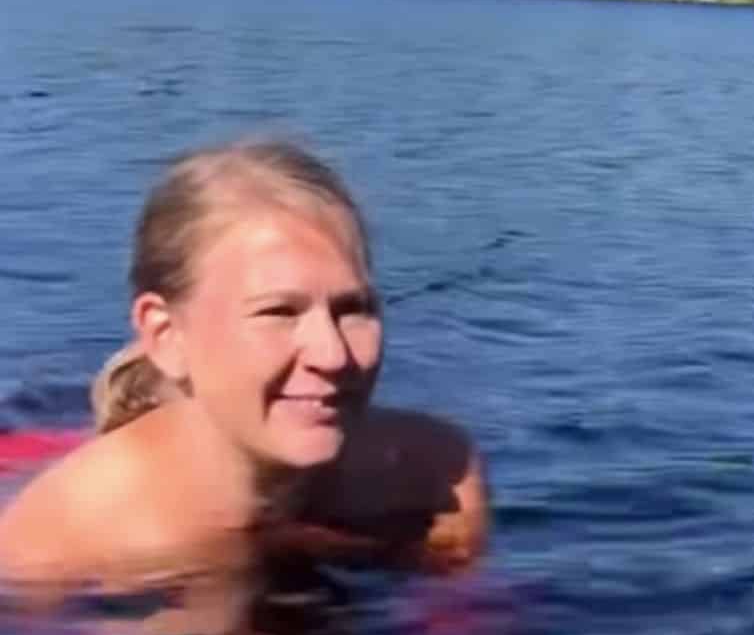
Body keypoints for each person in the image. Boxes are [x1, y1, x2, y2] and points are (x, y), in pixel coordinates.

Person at [0, 137, 491, 590]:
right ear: (165, 335)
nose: (332, 354)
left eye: (353, 309)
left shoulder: (435, 476)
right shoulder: (48, 553)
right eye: (278, 312)